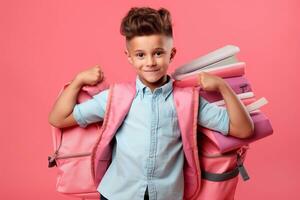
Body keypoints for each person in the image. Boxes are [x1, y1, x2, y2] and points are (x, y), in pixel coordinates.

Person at [48, 6, 254, 200]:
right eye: (140, 55)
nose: (150, 62)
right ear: (129, 57)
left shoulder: (187, 100)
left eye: (158, 53)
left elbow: (243, 130)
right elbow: (58, 118)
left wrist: (223, 87)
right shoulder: (115, 96)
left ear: (171, 54)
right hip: (117, 194)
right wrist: (78, 81)